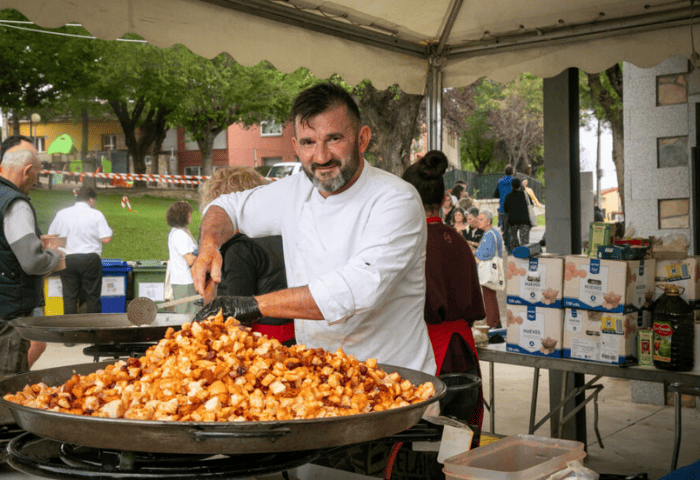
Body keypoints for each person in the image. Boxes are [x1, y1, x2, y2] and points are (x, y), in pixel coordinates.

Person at [192, 82, 436, 374]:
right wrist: (208, 245)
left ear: (362, 139)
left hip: (392, 378)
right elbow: (225, 207)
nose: (321, 157)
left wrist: (250, 305)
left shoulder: (396, 199)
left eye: (334, 139)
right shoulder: (293, 190)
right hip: (319, 378)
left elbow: (356, 289)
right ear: (295, 147)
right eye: (308, 142)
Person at [401, 150, 485, 429]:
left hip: (427, 356)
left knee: (422, 453)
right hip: (464, 355)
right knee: (457, 446)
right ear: (442, 200)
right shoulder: (458, 240)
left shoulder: (410, 243)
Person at [199, 166, 294, 346]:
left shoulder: (240, 247)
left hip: (262, 349)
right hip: (294, 339)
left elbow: (236, 320)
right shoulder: (282, 233)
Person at [0, 136, 63, 375]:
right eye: (37, 173)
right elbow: (32, 262)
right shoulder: (15, 204)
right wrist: (55, 255)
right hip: (9, 316)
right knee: (7, 391)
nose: (37, 180)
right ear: (27, 171)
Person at [48, 186, 113, 315]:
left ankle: (70, 329)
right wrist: (110, 231)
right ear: (90, 199)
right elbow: (106, 239)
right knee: (93, 297)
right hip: (90, 258)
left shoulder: (62, 213)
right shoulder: (96, 214)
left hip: (68, 258)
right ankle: (93, 328)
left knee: (70, 297)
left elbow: (51, 236)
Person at [472, 210, 504, 328]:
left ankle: (493, 323)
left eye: (481, 219)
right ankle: (495, 321)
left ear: (488, 221)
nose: (478, 222)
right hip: (491, 267)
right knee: (489, 295)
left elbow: (486, 254)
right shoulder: (492, 233)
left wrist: (475, 254)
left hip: (489, 268)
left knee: (488, 296)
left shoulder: (489, 234)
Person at [166, 201, 198, 314]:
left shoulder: (175, 232)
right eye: (189, 214)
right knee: (189, 316)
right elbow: (190, 260)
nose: (190, 217)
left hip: (182, 281)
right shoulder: (180, 235)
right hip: (186, 282)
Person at [503, 178, 532, 252]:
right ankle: (524, 256)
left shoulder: (508, 196)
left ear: (512, 186)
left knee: (513, 242)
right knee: (525, 243)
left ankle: (515, 255)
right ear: (520, 186)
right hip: (524, 221)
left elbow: (505, 209)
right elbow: (531, 205)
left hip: (512, 222)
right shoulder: (525, 195)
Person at [493, 164, 513, 250]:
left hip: (502, 209)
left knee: (504, 229)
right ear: (513, 172)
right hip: (512, 209)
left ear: (504, 172)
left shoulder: (500, 182)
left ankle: (506, 245)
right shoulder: (514, 181)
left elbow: (495, 195)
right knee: (512, 229)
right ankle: (511, 247)